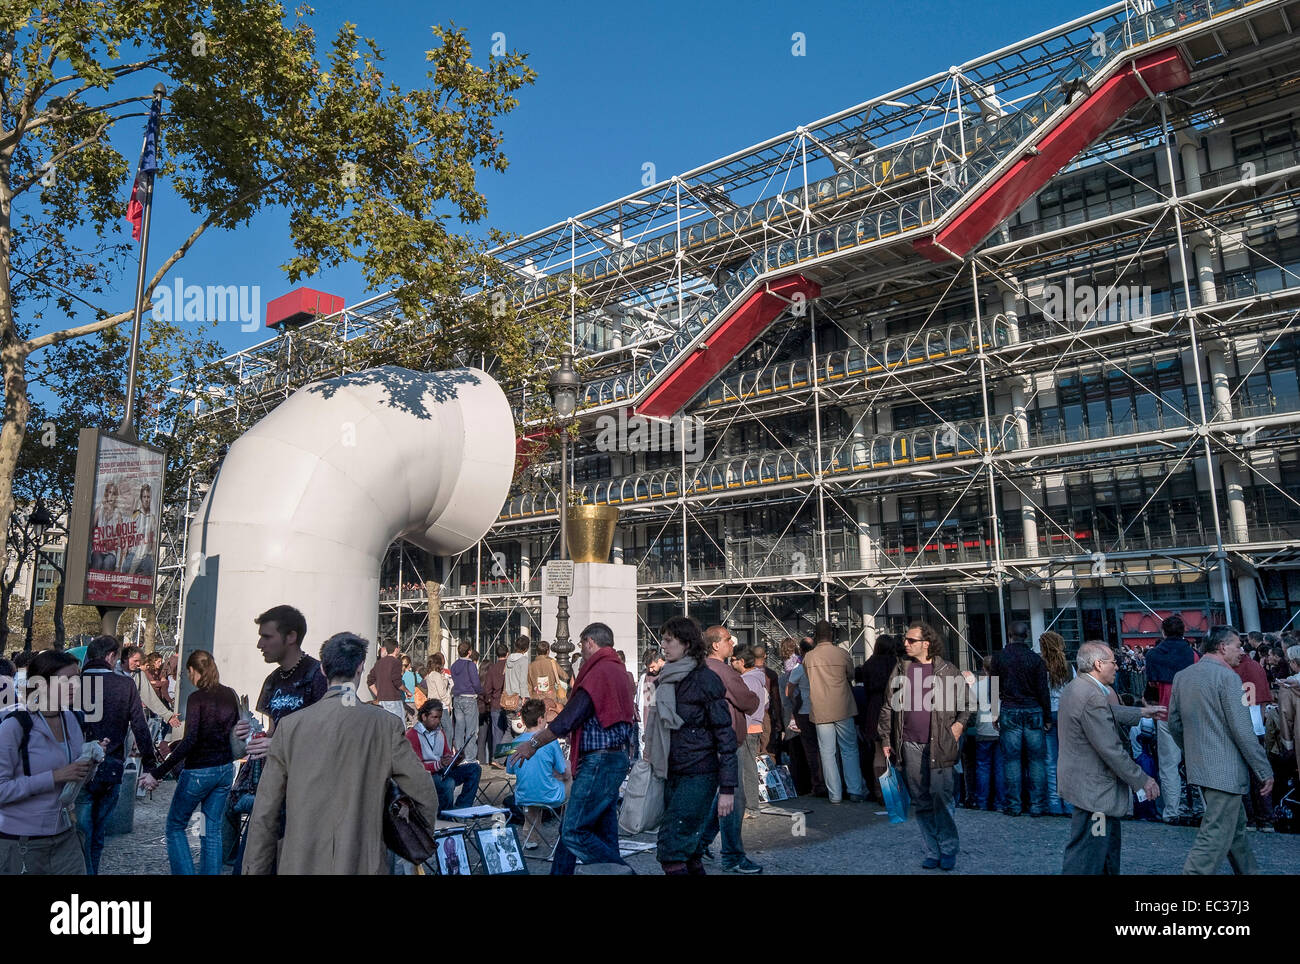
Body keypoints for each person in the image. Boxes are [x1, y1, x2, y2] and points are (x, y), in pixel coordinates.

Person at [243, 631, 439, 875]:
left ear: (323, 670)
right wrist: (410, 841)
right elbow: (424, 792)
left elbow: (265, 811)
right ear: (359, 668)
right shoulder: (384, 725)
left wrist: (255, 869)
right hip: (364, 863)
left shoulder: (290, 727)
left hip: (300, 862)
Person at [509, 622, 636, 875]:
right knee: (599, 827)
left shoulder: (600, 671)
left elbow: (570, 717)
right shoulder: (619, 670)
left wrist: (533, 743)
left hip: (600, 758)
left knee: (573, 830)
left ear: (590, 642)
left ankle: (621, 871)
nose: (582, 650)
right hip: (614, 755)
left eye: (581, 644)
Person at [1168, 627, 1273, 875]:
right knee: (1214, 834)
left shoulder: (1183, 676)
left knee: (1234, 831)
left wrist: (1193, 749)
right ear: (1223, 647)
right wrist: (1263, 769)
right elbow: (1243, 730)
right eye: (1238, 646)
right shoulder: (1228, 678)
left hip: (1202, 766)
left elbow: (1174, 723)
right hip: (1225, 770)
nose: (1242, 651)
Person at [1057, 641, 1165, 874]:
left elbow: (1103, 713)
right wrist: (1142, 780)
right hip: (1095, 793)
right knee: (1091, 854)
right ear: (1098, 664)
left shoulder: (1078, 687)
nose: (1117, 667)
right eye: (1113, 662)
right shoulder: (1092, 696)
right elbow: (1110, 748)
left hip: (1088, 787)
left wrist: (1141, 712)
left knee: (1102, 850)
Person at [648, 616, 738, 876]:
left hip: (699, 771)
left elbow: (725, 735)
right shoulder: (667, 678)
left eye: (668, 640)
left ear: (686, 644)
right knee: (690, 849)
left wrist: (727, 788)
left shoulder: (704, 680)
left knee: (671, 847)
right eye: (663, 639)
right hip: (673, 771)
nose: (663, 645)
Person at [878, 622, 972, 870]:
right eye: (905, 640)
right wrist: (886, 739)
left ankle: (949, 848)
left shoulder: (947, 670)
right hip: (909, 744)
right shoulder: (901, 668)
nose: (905, 644)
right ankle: (933, 849)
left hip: (940, 745)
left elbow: (967, 704)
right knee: (920, 801)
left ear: (926, 644)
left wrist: (958, 727)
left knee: (941, 798)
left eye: (911, 640)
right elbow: (889, 706)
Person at [148, 650, 239, 875]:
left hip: (199, 772)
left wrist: (158, 772)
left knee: (175, 827)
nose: (189, 677)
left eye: (189, 672)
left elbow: (190, 741)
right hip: (225, 769)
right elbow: (235, 732)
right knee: (211, 830)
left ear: (195, 671)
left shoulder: (197, 699)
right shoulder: (230, 694)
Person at [76, 634, 160, 874]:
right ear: (111, 656)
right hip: (111, 765)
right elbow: (140, 726)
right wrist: (151, 764)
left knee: (81, 830)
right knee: (98, 832)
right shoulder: (125, 684)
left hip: (78, 764)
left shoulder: (74, 683)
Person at [0, 650, 90, 874]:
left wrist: (91, 761)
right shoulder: (15, 725)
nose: (75, 686)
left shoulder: (73, 718)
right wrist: (55, 776)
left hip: (66, 836)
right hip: (22, 841)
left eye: (76, 679)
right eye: (66, 680)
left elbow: (79, 779)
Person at [699, 624, 762, 873]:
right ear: (716, 645)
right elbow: (747, 700)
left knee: (723, 798)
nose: (732, 644)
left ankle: (700, 843)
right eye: (728, 639)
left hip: (710, 740)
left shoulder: (702, 668)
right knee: (733, 798)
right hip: (727, 740)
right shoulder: (724, 671)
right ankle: (732, 856)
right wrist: (754, 699)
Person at [988, 620, 1051, 816]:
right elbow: (1043, 691)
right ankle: (1038, 805)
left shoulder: (999, 658)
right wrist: (1047, 716)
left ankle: (1014, 805)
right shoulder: (1036, 659)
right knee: (1037, 761)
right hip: (1033, 710)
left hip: (1009, 710)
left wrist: (994, 714)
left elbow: (994, 688)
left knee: (1011, 760)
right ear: (1027, 635)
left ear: (1009, 635)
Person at [1144, 614, 1199, 825]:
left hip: (1165, 712)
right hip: (1192, 714)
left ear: (1163, 632)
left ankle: (1172, 810)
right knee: (1196, 763)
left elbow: (1151, 685)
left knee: (1169, 766)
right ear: (1184, 631)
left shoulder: (1154, 655)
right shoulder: (1193, 654)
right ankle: (1202, 807)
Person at [804, 619, 865, 805]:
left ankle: (835, 795)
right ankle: (854, 790)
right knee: (849, 749)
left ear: (816, 635)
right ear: (831, 634)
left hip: (821, 708)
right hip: (843, 706)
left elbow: (808, 678)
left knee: (827, 752)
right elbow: (851, 675)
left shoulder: (809, 657)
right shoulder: (842, 654)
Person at [506, 698, 568, 850]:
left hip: (524, 796)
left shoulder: (515, 742)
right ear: (541, 720)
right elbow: (563, 771)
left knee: (532, 788)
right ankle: (567, 830)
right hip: (549, 795)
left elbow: (510, 770)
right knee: (569, 773)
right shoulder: (550, 742)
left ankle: (531, 837)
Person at [406, 699, 481, 814]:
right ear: (424, 717)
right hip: (426, 776)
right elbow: (416, 766)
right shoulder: (412, 735)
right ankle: (445, 817)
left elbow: (447, 755)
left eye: (439, 718)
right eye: (434, 717)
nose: (437, 721)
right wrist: (439, 764)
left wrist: (456, 759)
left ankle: (463, 807)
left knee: (474, 768)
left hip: (443, 770)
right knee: (448, 783)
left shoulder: (440, 733)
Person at [1233, 641, 1276, 830]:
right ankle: (1266, 818)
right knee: (1260, 774)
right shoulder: (1255, 666)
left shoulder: (1236, 668)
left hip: (1241, 727)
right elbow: (1262, 700)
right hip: (1257, 726)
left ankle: (1250, 819)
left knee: (1243, 776)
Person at [1040, 630, 1075, 816]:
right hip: (1066, 713)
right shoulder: (1068, 667)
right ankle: (1069, 803)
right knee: (1067, 759)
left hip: (1049, 713)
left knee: (1050, 760)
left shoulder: (1041, 666)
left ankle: (1054, 802)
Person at [786, 636, 826, 796]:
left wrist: (796, 699)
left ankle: (817, 784)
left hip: (805, 711)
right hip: (824, 709)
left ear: (801, 651)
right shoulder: (822, 666)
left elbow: (788, 691)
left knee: (811, 749)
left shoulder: (799, 668)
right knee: (827, 749)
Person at [731, 644, 767, 815]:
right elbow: (765, 703)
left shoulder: (748, 680)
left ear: (742, 661)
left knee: (747, 769)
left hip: (748, 728)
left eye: (733, 660)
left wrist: (740, 729)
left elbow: (748, 708)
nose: (731, 663)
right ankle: (750, 806)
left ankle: (751, 807)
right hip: (754, 727)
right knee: (748, 767)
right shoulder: (758, 678)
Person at [449, 642, 482, 765]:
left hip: (457, 698)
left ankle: (459, 755)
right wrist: (480, 691)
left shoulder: (454, 665)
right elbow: (476, 683)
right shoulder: (470, 665)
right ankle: (470, 757)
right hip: (469, 698)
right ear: (469, 652)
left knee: (459, 728)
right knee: (471, 729)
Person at [752, 643, 783, 759]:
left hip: (751, 713)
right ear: (764, 655)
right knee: (768, 747)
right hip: (766, 713)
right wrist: (779, 718)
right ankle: (769, 774)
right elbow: (775, 698)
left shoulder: (746, 673)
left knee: (753, 748)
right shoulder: (771, 674)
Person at [367, 638, 405, 722]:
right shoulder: (396, 662)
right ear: (396, 649)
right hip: (393, 699)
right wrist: (407, 690)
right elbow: (396, 681)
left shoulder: (378, 663)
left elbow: (370, 681)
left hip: (381, 700)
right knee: (398, 725)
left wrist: (378, 694)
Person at [636, 647, 665, 757]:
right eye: (649, 668)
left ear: (659, 661)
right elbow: (646, 704)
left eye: (652, 667)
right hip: (651, 724)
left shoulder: (667, 673)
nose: (651, 670)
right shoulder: (646, 678)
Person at [527, 639, 567, 709]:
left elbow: (529, 684)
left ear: (537, 652)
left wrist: (531, 696)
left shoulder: (531, 666)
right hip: (551, 697)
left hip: (536, 697)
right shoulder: (552, 662)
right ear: (548, 651)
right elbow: (565, 676)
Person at [400, 655, 422, 725]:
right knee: (415, 720)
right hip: (412, 701)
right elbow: (422, 682)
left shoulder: (400, 676)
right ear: (409, 665)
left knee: (402, 721)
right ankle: (415, 735)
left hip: (402, 701)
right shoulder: (414, 675)